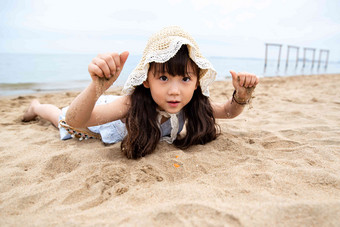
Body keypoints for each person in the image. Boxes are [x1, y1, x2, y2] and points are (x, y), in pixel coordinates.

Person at [22, 26, 259, 159]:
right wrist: (96, 88)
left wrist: (241, 95)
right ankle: (36, 106)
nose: (175, 91)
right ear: (146, 80)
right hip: (91, 118)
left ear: (197, 82)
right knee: (58, 118)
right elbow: (76, 120)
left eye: (185, 78)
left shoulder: (191, 103)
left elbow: (228, 112)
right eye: (164, 78)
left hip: (97, 112)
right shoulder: (130, 103)